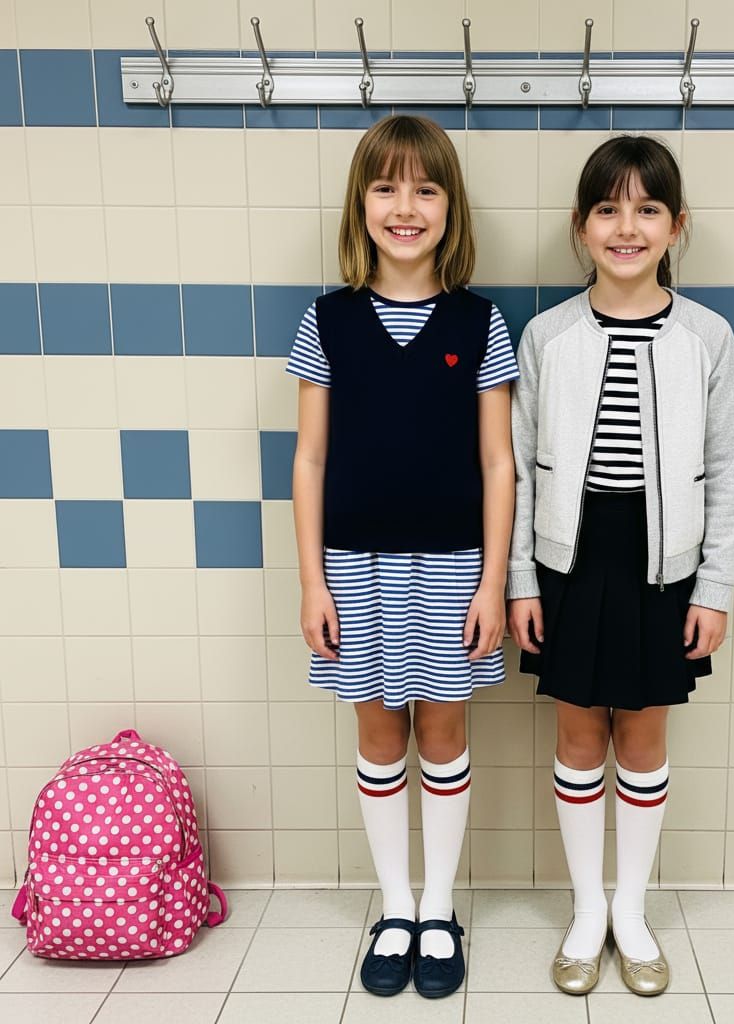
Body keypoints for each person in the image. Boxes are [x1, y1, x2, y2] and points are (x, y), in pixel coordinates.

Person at [507, 135, 734, 996]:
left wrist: (712, 587)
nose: (627, 226)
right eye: (608, 208)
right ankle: (585, 911)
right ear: (580, 227)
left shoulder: (707, 339)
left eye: (648, 209)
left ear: (678, 226)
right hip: (569, 564)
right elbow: (521, 467)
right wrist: (522, 583)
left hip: (664, 566)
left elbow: (727, 474)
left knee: (642, 740)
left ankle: (632, 912)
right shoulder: (547, 336)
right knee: (578, 738)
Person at [287, 114, 517, 999]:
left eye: (426, 189)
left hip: (457, 567)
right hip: (352, 566)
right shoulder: (329, 320)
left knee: (445, 733)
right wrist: (313, 582)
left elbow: (499, 462)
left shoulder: (480, 320)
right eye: (387, 187)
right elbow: (309, 460)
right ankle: (394, 908)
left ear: (450, 208)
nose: (406, 207)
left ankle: (439, 907)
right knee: (380, 734)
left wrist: (493, 581)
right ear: (362, 204)